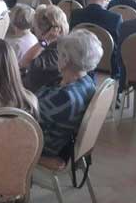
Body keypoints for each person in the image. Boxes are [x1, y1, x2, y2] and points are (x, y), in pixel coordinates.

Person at [36, 29, 103, 158]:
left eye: (59, 54)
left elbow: (30, 117)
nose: (57, 57)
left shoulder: (64, 97)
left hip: (44, 147)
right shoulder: (88, 82)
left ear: (66, 60)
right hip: (62, 141)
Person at [69, 0, 122, 77]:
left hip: (79, 61)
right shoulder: (115, 18)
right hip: (107, 65)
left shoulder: (75, 14)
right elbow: (119, 46)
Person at [20, 4, 69, 92]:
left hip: (32, 94)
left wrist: (45, 40)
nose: (33, 30)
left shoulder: (53, 54)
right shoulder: (60, 45)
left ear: (44, 30)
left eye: (35, 27)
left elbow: (24, 63)